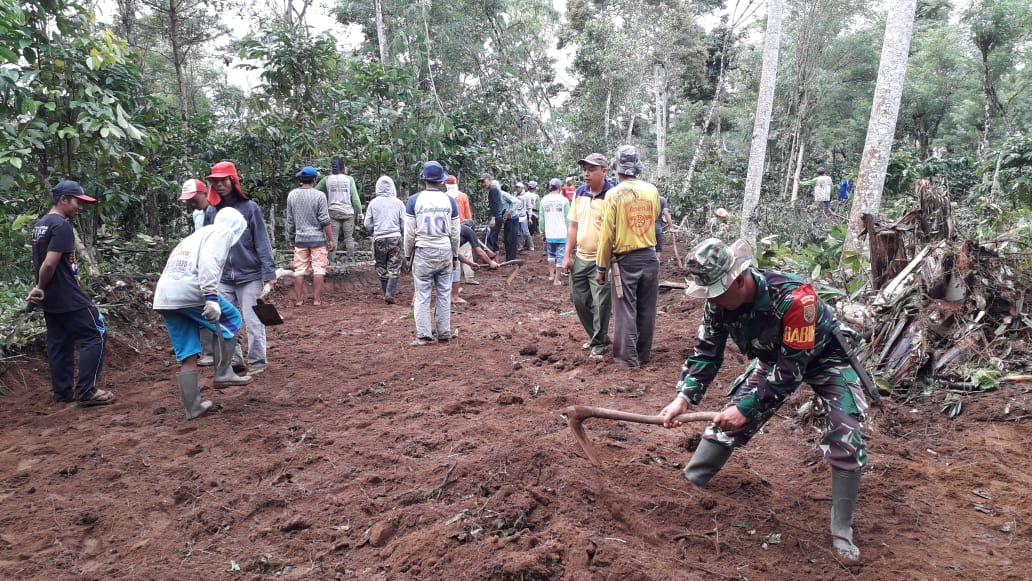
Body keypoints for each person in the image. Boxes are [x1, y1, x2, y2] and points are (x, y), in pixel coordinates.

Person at [658, 237, 869, 562]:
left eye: (717, 291)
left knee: (846, 433)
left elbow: (791, 371)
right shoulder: (717, 302)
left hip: (827, 360)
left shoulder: (795, 300)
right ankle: (690, 484)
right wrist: (684, 397)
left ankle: (842, 529)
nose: (713, 298)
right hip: (773, 361)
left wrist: (746, 409)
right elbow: (707, 352)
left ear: (739, 280)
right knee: (726, 423)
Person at [153, 208, 253, 419]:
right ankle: (224, 372)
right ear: (237, 226)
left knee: (188, 353)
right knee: (232, 319)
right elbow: (209, 262)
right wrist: (211, 297)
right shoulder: (222, 231)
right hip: (188, 291)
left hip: (165, 296)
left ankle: (193, 407)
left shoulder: (195, 236)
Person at [27, 180, 116, 406]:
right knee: (96, 333)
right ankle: (86, 390)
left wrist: (41, 288)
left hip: (52, 297)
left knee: (60, 342)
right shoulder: (61, 226)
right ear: (63, 199)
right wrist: (40, 286)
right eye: (78, 202)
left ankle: (63, 392)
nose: (80, 207)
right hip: (68, 294)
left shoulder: (40, 224)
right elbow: (49, 263)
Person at [205, 161, 277, 376]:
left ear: (233, 181)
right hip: (223, 276)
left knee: (253, 321)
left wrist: (269, 273)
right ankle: (234, 361)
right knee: (223, 321)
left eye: (223, 180)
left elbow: (261, 241)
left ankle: (257, 362)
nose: (219, 185)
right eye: (215, 182)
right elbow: (206, 244)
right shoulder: (211, 211)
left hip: (250, 275)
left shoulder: (250, 208)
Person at [595, 145, 661, 368]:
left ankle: (626, 359)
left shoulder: (613, 194)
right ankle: (643, 354)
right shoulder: (652, 190)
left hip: (626, 261)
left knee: (625, 310)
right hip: (650, 258)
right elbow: (655, 217)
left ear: (616, 168)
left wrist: (601, 268)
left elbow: (607, 235)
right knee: (647, 309)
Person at [561, 153, 614, 358]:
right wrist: (567, 255)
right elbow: (573, 226)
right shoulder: (579, 193)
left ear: (604, 171)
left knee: (601, 304)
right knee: (580, 301)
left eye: (591, 169)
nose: (586, 174)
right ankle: (597, 336)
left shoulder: (612, 195)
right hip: (581, 258)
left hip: (602, 260)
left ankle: (598, 343)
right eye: (584, 169)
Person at [404, 161, 460, 345]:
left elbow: (409, 233)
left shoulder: (414, 200)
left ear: (424, 179)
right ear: (442, 181)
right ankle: (444, 332)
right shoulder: (450, 201)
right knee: (444, 293)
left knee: (422, 294)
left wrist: (408, 255)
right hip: (444, 250)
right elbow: (455, 233)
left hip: (423, 252)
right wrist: (455, 255)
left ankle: (423, 335)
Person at [286, 166, 335, 306]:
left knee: (299, 270)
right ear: (314, 180)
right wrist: (331, 239)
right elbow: (324, 220)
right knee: (319, 269)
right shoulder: (319, 196)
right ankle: (316, 300)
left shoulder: (292, 195)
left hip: (300, 238)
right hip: (317, 239)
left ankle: (299, 300)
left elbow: (290, 220)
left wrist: (292, 238)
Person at [180, 178, 216, 366]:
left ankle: (215, 352)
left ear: (204, 193)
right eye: (188, 199)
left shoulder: (215, 211)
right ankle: (208, 350)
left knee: (212, 307)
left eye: (194, 197)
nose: (191, 202)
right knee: (202, 307)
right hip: (200, 264)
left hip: (213, 267)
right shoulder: (197, 214)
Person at [364, 176, 406, 303]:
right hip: (395, 238)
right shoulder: (398, 203)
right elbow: (404, 223)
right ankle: (390, 293)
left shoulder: (373, 203)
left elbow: (367, 224)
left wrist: (376, 229)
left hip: (379, 238)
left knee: (381, 266)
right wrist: (399, 231)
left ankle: (386, 292)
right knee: (394, 266)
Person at [316, 157, 363, 266]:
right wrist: (360, 212)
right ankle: (350, 260)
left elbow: (315, 191)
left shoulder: (327, 179)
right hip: (348, 212)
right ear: (343, 168)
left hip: (333, 212)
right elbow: (355, 198)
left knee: (333, 238)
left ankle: (331, 261)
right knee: (349, 238)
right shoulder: (349, 179)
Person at [451, 223, 499, 304]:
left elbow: (456, 255)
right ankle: (454, 297)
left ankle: (450, 292)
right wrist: (490, 262)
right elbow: (479, 252)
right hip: (445, 253)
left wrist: (470, 263)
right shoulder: (469, 230)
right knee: (456, 267)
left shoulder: (455, 228)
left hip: (435, 252)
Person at [444, 175, 477, 284]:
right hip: (462, 226)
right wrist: (469, 228)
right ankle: (469, 277)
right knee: (466, 252)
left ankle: (451, 278)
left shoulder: (443, 197)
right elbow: (468, 215)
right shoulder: (463, 196)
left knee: (451, 253)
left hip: (448, 228)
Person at [539, 178, 570, 286]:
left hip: (549, 233)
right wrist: (569, 232)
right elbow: (568, 218)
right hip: (561, 233)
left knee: (551, 255)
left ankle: (551, 275)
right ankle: (556, 280)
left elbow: (541, 219)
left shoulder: (544, 200)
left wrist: (542, 232)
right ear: (560, 187)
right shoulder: (564, 200)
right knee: (560, 256)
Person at [481, 173, 504, 253]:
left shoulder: (493, 189)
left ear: (489, 180)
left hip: (496, 218)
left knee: (491, 239)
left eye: (484, 181)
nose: (483, 184)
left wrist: (493, 218)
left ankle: (494, 258)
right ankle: (495, 258)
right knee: (492, 239)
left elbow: (495, 204)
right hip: (496, 217)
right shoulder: (493, 189)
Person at [654, 195, 674, 263]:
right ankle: (657, 260)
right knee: (658, 245)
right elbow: (666, 213)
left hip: (645, 226)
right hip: (656, 225)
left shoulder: (645, 198)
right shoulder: (662, 199)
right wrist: (671, 227)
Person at [521, 180, 539, 250]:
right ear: (534, 188)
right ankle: (530, 245)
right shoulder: (536, 196)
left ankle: (525, 244)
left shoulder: (525, 194)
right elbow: (537, 207)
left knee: (526, 228)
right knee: (531, 229)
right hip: (533, 213)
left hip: (525, 213)